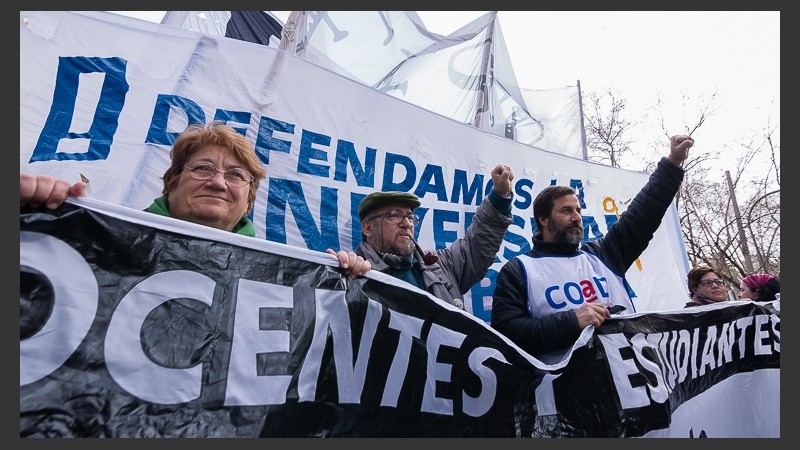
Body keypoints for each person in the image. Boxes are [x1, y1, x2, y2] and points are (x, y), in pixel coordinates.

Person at [20, 122, 370, 277]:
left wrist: (344, 284)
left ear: (248, 202)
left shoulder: (283, 277)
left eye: (235, 175)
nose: (218, 182)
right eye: (203, 168)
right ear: (171, 183)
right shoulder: (99, 238)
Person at [491, 134, 694, 363]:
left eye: (578, 210)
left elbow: (643, 215)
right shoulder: (519, 270)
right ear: (544, 220)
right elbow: (507, 333)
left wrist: (672, 165)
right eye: (566, 211)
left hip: (635, 382)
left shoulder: (604, 255)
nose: (577, 217)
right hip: (568, 392)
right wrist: (572, 321)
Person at [354, 164, 515, 310]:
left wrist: (500, 197)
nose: (406, 223)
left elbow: (479, 245)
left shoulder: (441, 266)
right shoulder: (354, 273)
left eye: (410, 217)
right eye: (394, 215)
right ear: (368, 228)